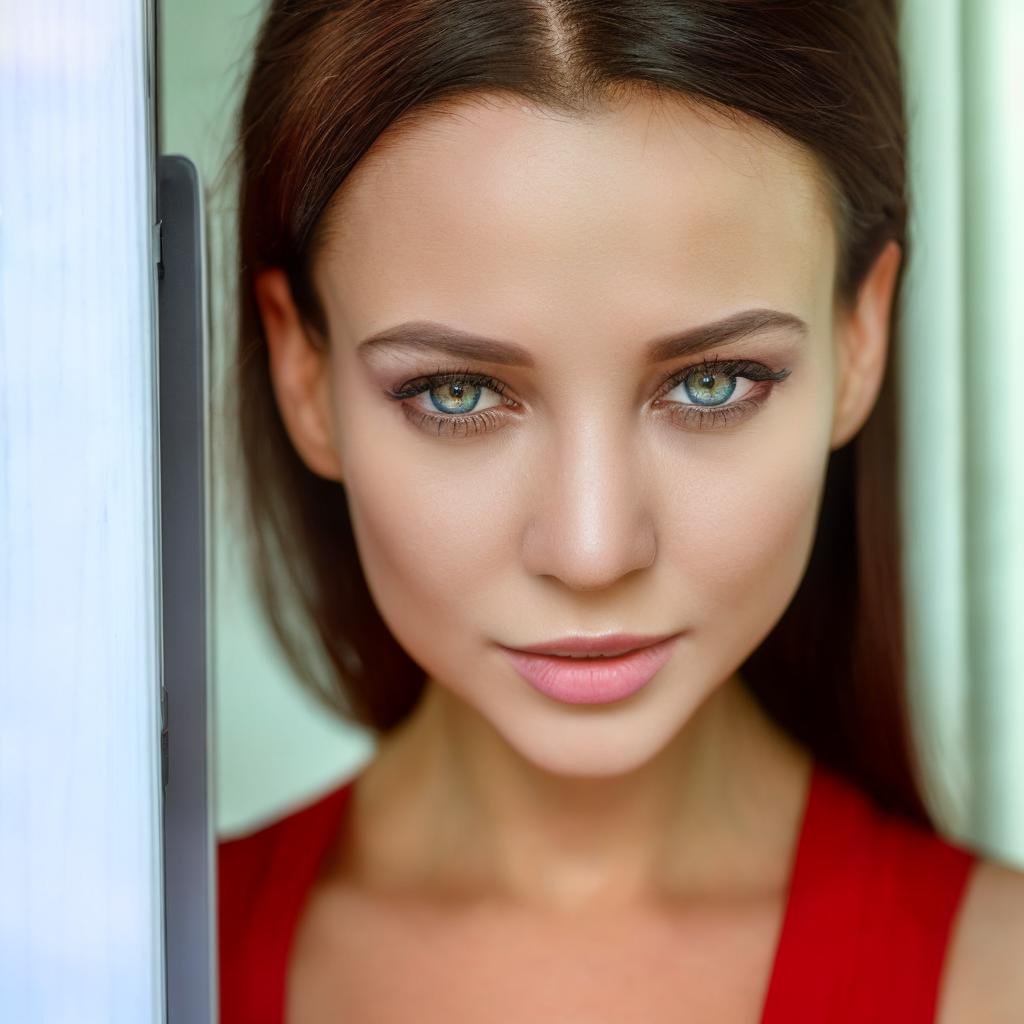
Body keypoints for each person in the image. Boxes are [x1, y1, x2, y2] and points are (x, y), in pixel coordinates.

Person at [216, 1, 1024, 1020]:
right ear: (302, 371)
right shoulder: (119, 978)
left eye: (713, 383)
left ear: (860, 335)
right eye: (456, 391)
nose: (593, 549)